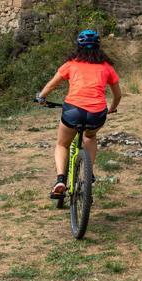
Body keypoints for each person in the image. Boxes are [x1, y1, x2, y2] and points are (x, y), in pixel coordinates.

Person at [35, 29, 121, 199]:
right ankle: (88, 172)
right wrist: (111, 108)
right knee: (90, 137)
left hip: (73, 111)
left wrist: (41, 97)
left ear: (78, 47)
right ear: (98, 48)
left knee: (62, 144)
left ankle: (60, 180)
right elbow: (118, 95)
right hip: (97, 113)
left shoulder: (70, 64)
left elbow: (51, 85)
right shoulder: (107, 67)